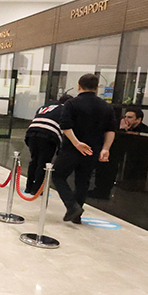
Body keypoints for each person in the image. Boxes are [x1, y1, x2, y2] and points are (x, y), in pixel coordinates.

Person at [52, 73, 116, 223]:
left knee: (58, 175)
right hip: (93, 149)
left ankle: (71, 206)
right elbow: (110, 130)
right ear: (97, 87)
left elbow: (65, 126)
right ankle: (77, 215)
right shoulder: (106, 106)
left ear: (79, 86)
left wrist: (76, 143)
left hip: (71, 149)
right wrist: (106, 148)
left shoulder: (72, 103)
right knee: (83, 181)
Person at [23, 95, 71, 195]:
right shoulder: (65, 109)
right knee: (43, 163)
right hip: (48, 135)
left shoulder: (45, 107)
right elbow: (65, 127)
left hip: (32, 133)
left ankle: (29, 187)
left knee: (34, 160)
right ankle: (37, 189)